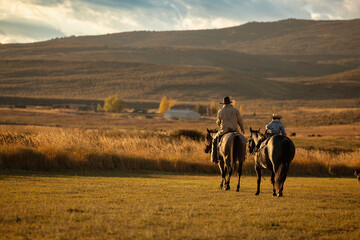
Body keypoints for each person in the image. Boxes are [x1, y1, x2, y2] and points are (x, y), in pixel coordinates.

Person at [211, 96, 245, 164]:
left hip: (224, 131)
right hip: (235, 130)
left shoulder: (220, 111)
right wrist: (242, 129)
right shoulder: (235, 110)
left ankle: (214, 157)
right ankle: (243, 156)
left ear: (223, 103)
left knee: (214, 140)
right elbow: (240, 121)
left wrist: (220, 126)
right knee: (243, 141)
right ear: (230, 103)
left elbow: (218, 122)